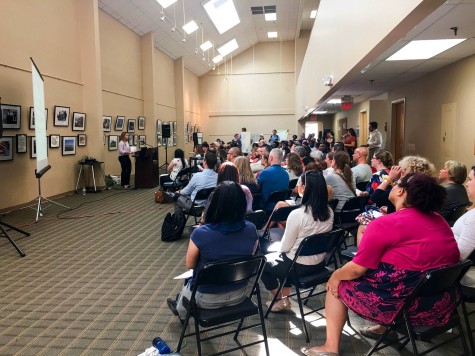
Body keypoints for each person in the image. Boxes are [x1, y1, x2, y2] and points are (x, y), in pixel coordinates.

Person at [302, 173, 460, 356]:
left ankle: (330, 348)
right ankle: (385, 329)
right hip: (439, 303)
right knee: (394, 276)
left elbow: (356, 269)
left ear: (400, 191)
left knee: (337, 284)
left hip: (400, 307)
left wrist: (335, 275)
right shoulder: (439, 220)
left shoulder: (385, 224)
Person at [167, 181, 258, 320]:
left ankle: (181, 309)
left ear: (214, 204)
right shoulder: (251, 229)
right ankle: (181, 302)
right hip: (239, 293)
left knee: (189, 282)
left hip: (207, 299)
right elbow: (251, 254)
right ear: (242, 204)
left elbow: (190, 265)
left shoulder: (201, 233)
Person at [261, 172, 334, 312]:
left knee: (263, 263)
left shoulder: (298, 214)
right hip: (319, 263)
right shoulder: (329, 211)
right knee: (287, 257)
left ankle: (280, 299)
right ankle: (285, 299)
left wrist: (276, 246)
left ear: (304, 188)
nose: (297, 186)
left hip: (297, 265)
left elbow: (285, 247)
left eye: (298, 183)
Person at [453, 165, 475, 287]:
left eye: (470, 179)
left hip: (464, 274)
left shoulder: (473, 219)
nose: (466, 184)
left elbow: (459, 255)